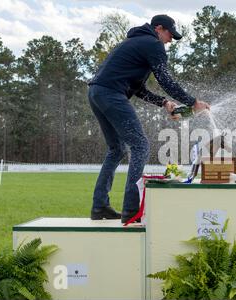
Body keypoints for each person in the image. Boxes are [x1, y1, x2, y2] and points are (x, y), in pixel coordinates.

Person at [88, 14, 210, 223]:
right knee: (141, 146)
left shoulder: (134, 43)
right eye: (169, 34)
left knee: (117, 150)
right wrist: (192, 102)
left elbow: (137, 89)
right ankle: (131, 210)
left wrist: (164, 103)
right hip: (111, 94)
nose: (170, 40)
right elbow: (165, 79)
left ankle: (99, 207)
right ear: (158, 29)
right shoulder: (153, 44)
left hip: (96, 93)